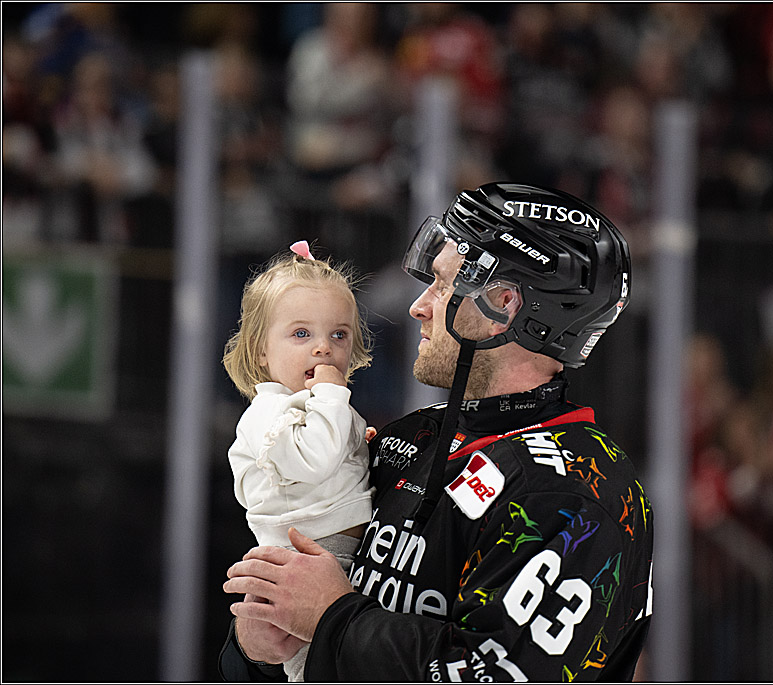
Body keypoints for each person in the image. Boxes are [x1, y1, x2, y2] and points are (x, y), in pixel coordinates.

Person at [219, 182, 654, 681]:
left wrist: (332, 617)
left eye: (444, 286)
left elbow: (495, 673)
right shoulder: (412, 440)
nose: (419, 306)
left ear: (503, 305)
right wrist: (255, 653)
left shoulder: (575, 492)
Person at [221, 240, 375, 681]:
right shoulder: (269, 412)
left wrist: (358, 450)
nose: (323, 348)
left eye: (338, 335)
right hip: (306, 559)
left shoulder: (318, 407)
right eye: (301, 334)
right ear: (260, 349)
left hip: (342, 556)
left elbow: (327, 460)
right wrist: (332, 401)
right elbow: (314, 461)